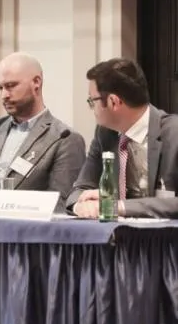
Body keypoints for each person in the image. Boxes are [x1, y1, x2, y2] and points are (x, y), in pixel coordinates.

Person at [0, 52, 86, 210]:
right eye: (0, 88)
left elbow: (60, 204)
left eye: (10, 86)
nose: (4, 95)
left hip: (22, 228)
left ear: (36, 83)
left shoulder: (64, 138)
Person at [67, 58, 178, 218]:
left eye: (92, 100)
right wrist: (81, 206)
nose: (91, 107)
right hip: (115, 238)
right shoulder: (105, 134)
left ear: (113, 101)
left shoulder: (174, 134)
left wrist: (118, 206)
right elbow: (79, 189)